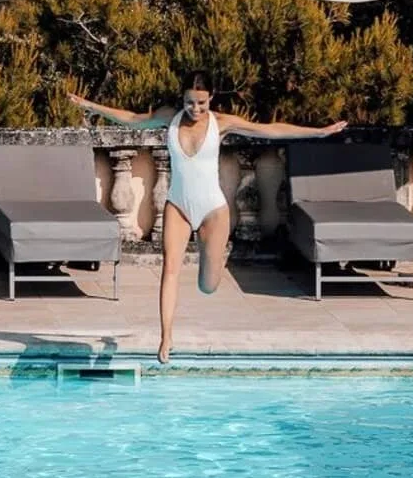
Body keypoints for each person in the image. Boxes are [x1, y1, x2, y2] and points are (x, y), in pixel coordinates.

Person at [69, 76, 347, 362]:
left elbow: (270, 130)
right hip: (178, 206)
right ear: (183, 98)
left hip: (213, 211)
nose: (195, 108)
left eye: (201, 102)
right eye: (190, 102)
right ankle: (166, 337)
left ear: (210, 98)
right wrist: (91, 105)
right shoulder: (170, 118)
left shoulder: (221, 122)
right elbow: (132, 119)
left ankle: (206, 249)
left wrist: (318, 132)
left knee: (208, 285)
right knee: (170, 270)